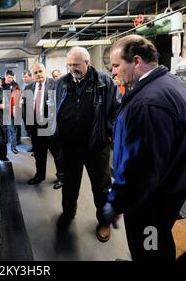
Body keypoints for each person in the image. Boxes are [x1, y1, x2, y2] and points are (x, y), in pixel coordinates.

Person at [103, 35, 186, 260]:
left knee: (149, 249)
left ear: (136, 61)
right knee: (158, 242)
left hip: (150, 202)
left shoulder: (149, 102)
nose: (114, 72)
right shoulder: (171, 84)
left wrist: (116, 203)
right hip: (168, 191)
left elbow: (142, 167)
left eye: (117, 65)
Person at [55, 47, 121, 242]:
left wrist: (108, 134)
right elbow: (53, 109)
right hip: (70, 148)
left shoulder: (103, 81)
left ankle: (104, 222)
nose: (72, 68)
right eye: (69, 65)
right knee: (69, 184)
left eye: (76, 64)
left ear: (87, 63)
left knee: (101, 189)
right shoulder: (62, 83)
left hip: (96, 147)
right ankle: (68, 212)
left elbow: (118, 110)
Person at [24, 63, 64, 185]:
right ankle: (40, 176)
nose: (38, 74)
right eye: (35, 73)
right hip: (36, 128)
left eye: (40, 71)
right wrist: (29, 128)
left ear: (45, 71)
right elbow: (26, 109)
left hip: (51, 128)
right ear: (33, 75)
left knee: (58, 155)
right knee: (39, 155)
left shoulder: (56, 85)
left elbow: (63, 107)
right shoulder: (28, 88)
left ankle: (62, 177)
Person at [2, 70, 21, 154]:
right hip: (1, 111)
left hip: (12, 111)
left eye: (12, 77)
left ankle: (13, 147)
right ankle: (2, 150)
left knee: (13, 130)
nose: (10, 79)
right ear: (5, 76)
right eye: (9, 77)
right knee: (2, 131)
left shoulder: (15, 85)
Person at [22, 70, 34, 153]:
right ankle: (34, 147)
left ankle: (35, 148)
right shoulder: (26, 86)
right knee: (30, 131)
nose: (24, 79)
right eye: (23, 77)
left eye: (26, 77)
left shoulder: (33, 86)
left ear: (30, 76)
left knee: (33, 131)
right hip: (27, 113)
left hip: (32, 114)